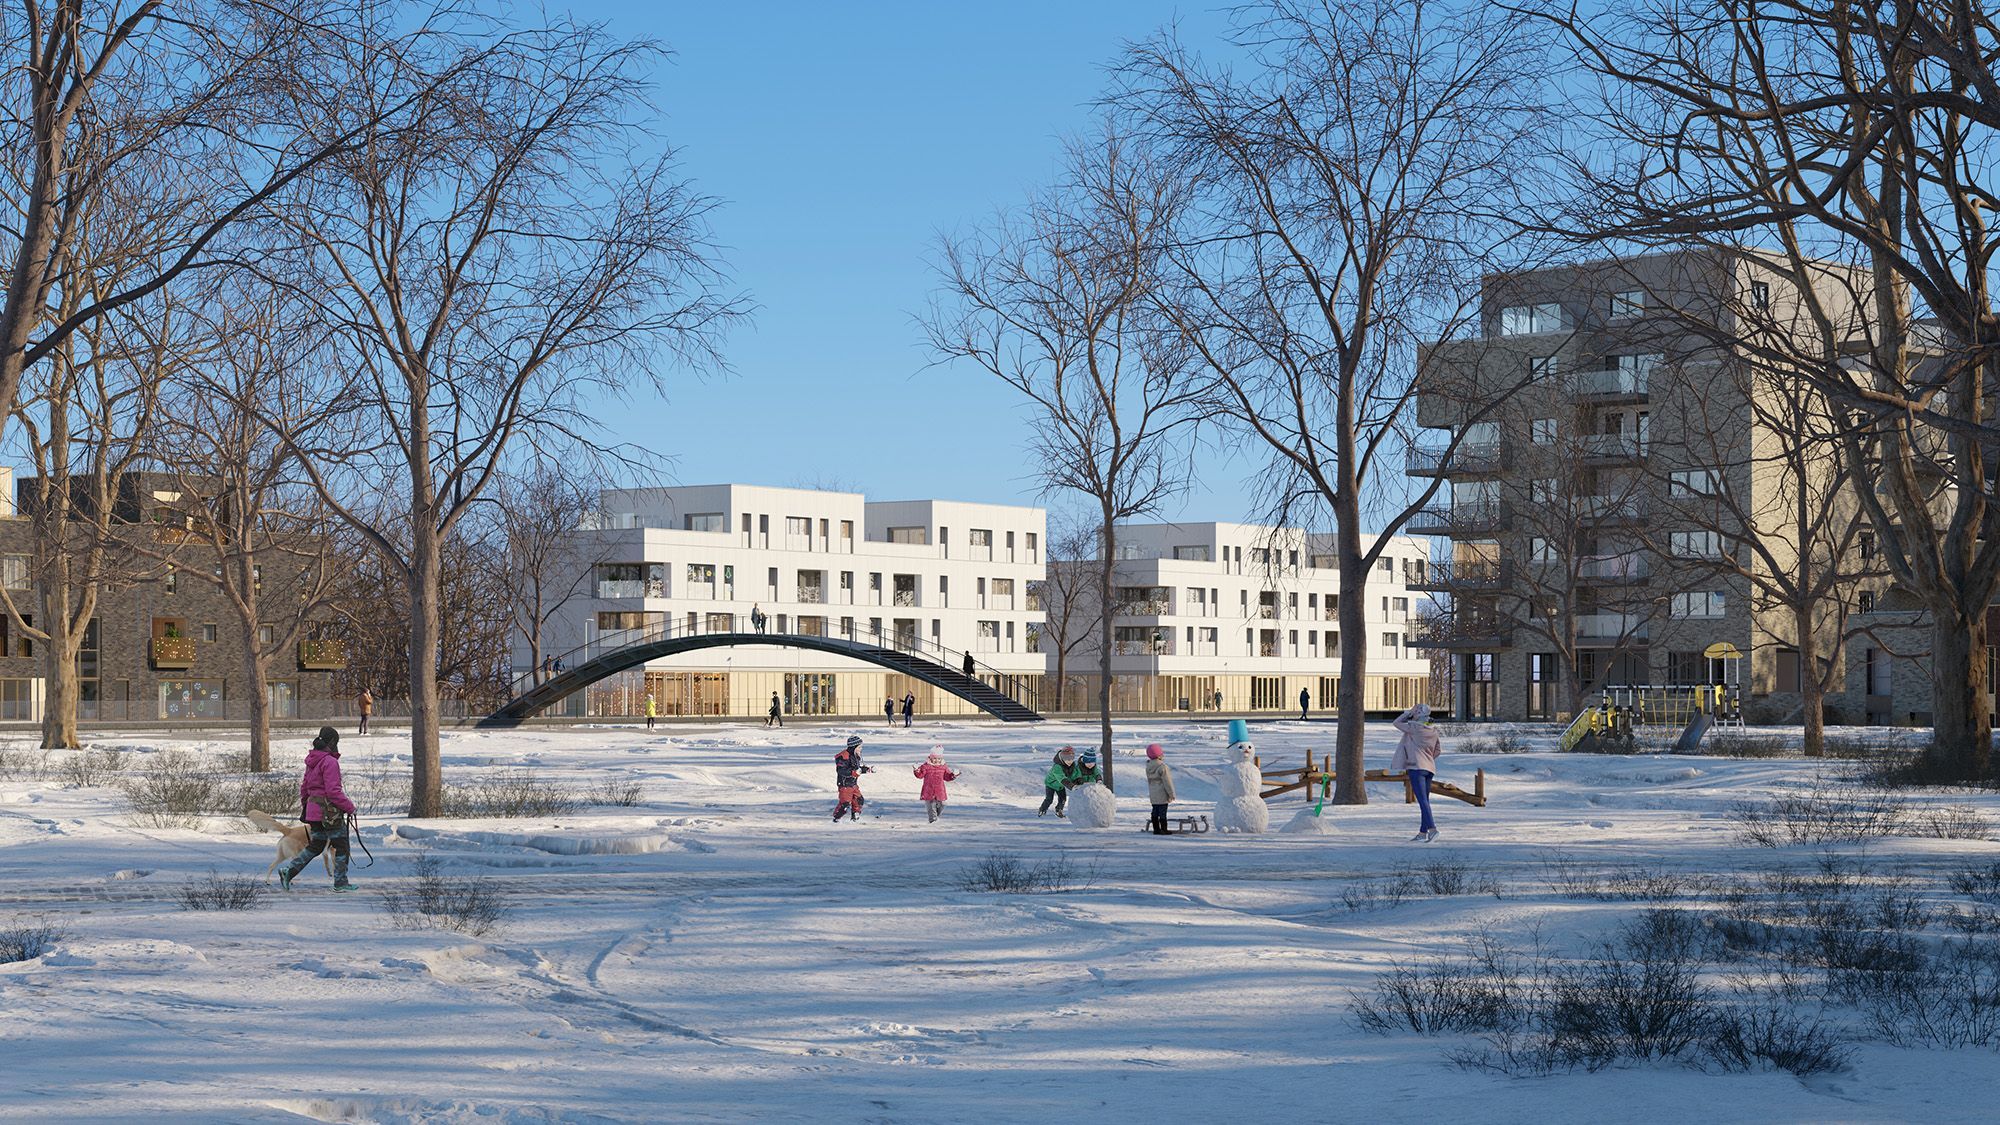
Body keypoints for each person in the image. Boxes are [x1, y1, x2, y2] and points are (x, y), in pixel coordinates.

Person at [279, 726, 357, 892]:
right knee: (341, 846)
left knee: (316, 845)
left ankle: (289, 871)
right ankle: (341, 882)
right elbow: (333, 791)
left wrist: (307, 807)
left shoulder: (312, 761)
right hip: (329, 813)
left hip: (314, 812)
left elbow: (305, 787)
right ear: (333, 742)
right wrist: (350, 808)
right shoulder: (330, 762)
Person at [1390, 703, 1443, 842]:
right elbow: (1437, 751)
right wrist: (1427, 758)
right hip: (1429, 769)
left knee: (1422, 801)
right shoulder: (1433, 731)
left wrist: (1407, 714)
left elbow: (1396, 722)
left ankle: (1432, 829)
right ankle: (1422, 833)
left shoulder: (1414, 728)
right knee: (1425, 801)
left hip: (1416, 768)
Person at [913, 745, 960, 823]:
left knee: (942, 804)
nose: (936, 760)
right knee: (931, 807)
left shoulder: (943, 767)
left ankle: (935, 818)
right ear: (930, 758)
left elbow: (947, 777)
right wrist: (917, 770)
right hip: (929, 790)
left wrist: (953, 775)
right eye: (934, 758)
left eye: (939, 758)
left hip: (940, 791)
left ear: (941, 759)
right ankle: (933, 821)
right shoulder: (925, 766)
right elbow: (920, 776)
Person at [832, 735, 874, 823]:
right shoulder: (843, 757)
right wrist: (854, 772)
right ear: (854, 747)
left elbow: (857, 769)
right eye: (859, 747)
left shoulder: (855, 756)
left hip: (853, 784)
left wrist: (866, 770)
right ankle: (836, 819)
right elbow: (842, 770)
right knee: (845, 803)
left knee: (859, 800)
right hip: (845, 785)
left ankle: (855, 816)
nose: (861, 749)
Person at [1040, 746, 1081, 818]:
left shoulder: (1073, 765)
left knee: (1063, 799)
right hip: (1051, 784)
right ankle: (1042, 810)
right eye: (1067, 758)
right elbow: (1061, 778)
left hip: (1060, 786)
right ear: (1062, 758)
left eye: (1071, 758)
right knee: (1049, 799)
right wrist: (1072, 786)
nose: (1069, 761)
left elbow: (1076, 774)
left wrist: (1079, 781)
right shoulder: (1057, 767)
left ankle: (1059, 811)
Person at [1145, 743, 1176, 835]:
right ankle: (1164, 829)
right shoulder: (1162, 767)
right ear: (1159, 755)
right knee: (1162, 812)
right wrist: (1171, 794)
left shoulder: (1148, 767)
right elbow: (1167, 782)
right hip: (1162, 794)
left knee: (1155, 811)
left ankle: (1156, 829)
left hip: (1153, 794)